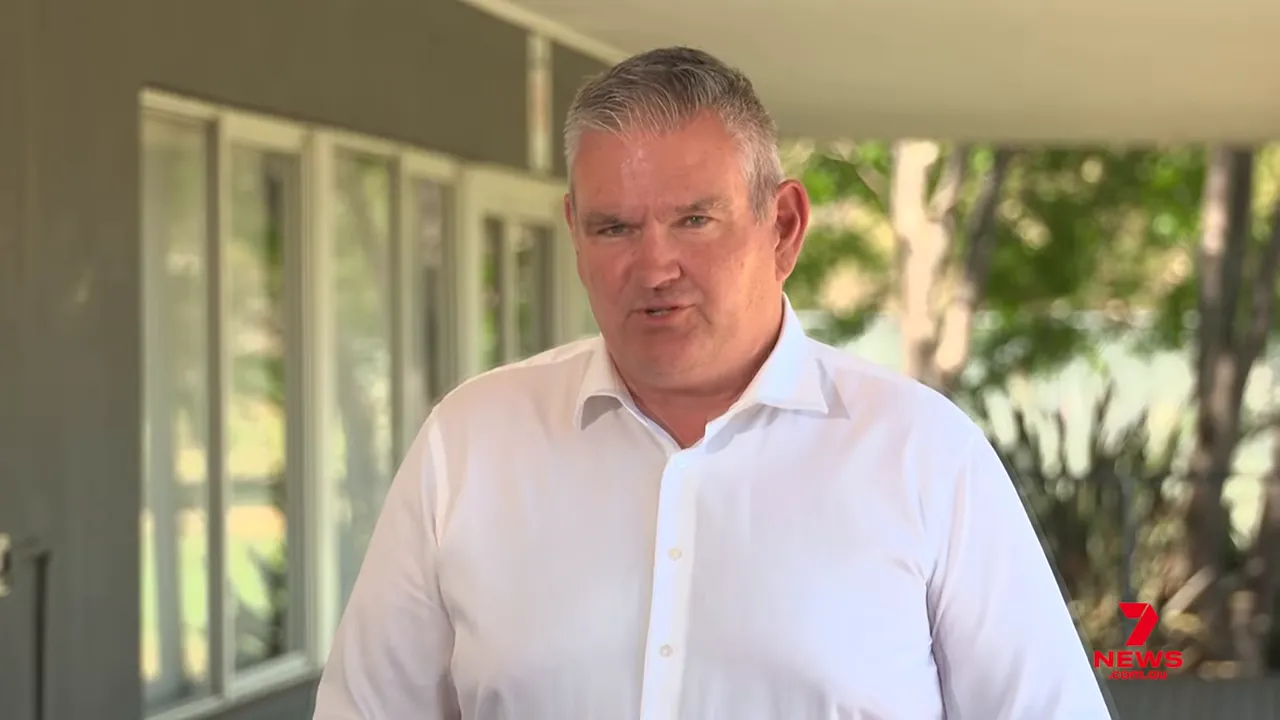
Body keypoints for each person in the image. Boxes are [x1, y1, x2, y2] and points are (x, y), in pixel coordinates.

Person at [313, 46, 1113, 719]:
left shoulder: (922, 455)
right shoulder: (470, 444)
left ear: (783, 227)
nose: (654, 266)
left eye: (694, 220)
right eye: (614, 227)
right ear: (575, 235)